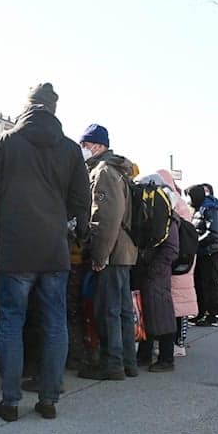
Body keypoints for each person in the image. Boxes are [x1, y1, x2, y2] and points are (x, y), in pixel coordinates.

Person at [0, 82, 91, 422]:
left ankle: (10, 402)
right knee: (55, 322)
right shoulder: (71, 150)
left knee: (12, 322)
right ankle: (48, 399)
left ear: (28, 106)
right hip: (54, 248)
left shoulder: (5, 142)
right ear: (54, 109)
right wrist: (73, 230)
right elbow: (82, 200)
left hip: (15, 247)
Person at [77, 123, 139, 381]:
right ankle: (128, 362)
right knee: (123, 309)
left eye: (86, 145)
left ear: (99, 145)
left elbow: (106, 217)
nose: (83, 150)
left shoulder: (103, 172)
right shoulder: (119, 170)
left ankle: (112, 364)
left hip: (112, 251)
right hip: (125, 250)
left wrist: (100, 255)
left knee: (108, 309)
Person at [135, 174, 181, 371]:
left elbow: (171, 248)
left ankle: (166, 358)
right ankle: (145, 354)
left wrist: (155, 268)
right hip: (153, 269)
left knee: (161, 313)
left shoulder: (165, 216)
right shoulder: (160, 214)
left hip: (157, 271)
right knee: (149, 313)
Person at [158, 170, 198, 357]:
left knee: (178, 303)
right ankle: (179, 343)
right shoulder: (181, 202)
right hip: (186, 258)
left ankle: (177, 343)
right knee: (182, 302)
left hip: (175, 258)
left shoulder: (171, 201)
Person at [186, 184, 218, 326]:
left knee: (209, 284)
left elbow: (213, 232)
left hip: (209, 252)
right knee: (199, 284)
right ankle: (200, 313)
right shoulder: (199, 208)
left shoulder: (210, 208)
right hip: (201, 251)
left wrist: (195, 242)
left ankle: (210, 315)